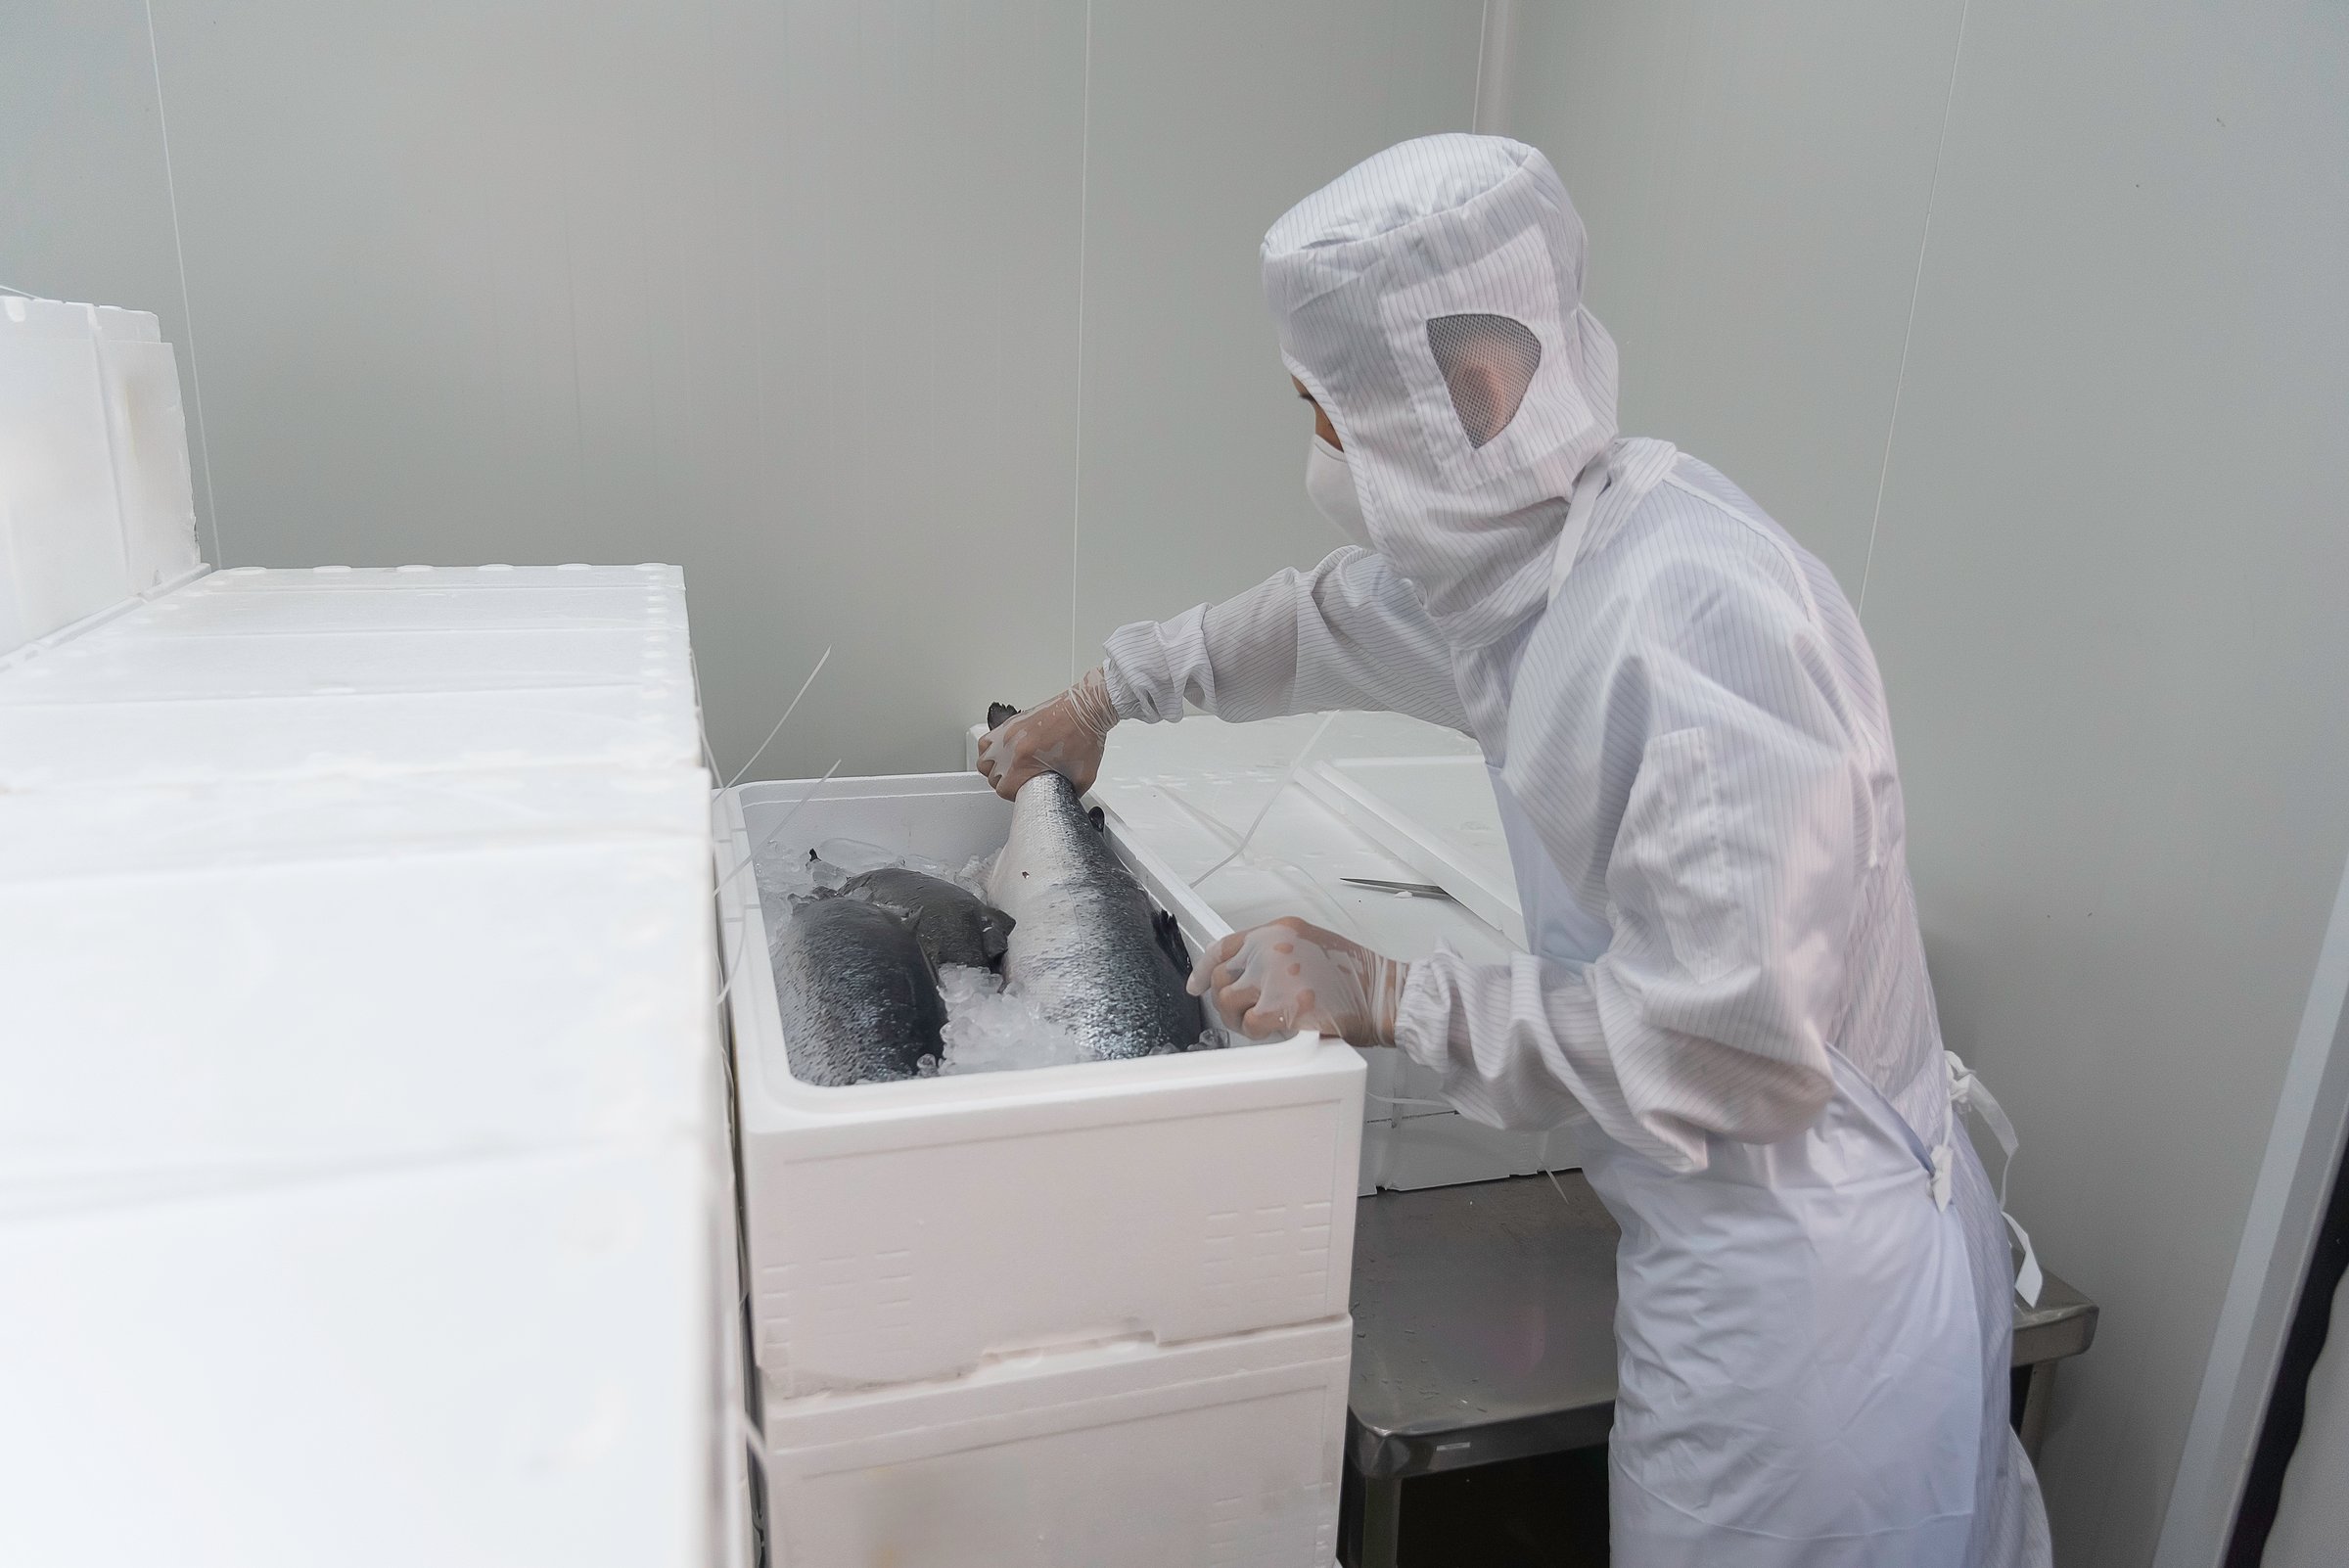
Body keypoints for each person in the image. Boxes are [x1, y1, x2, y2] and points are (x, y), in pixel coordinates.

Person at [978, 134, 2049, 1566]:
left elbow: (1737, 1049)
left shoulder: (1687, 622)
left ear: (1461, 397)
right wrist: (1102, 698)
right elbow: (1313, 620)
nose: (1319, 456)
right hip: (1712, 1225)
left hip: (1802, 1316)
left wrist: (1396, 993)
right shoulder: (1530, 569)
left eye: (1325, 416)